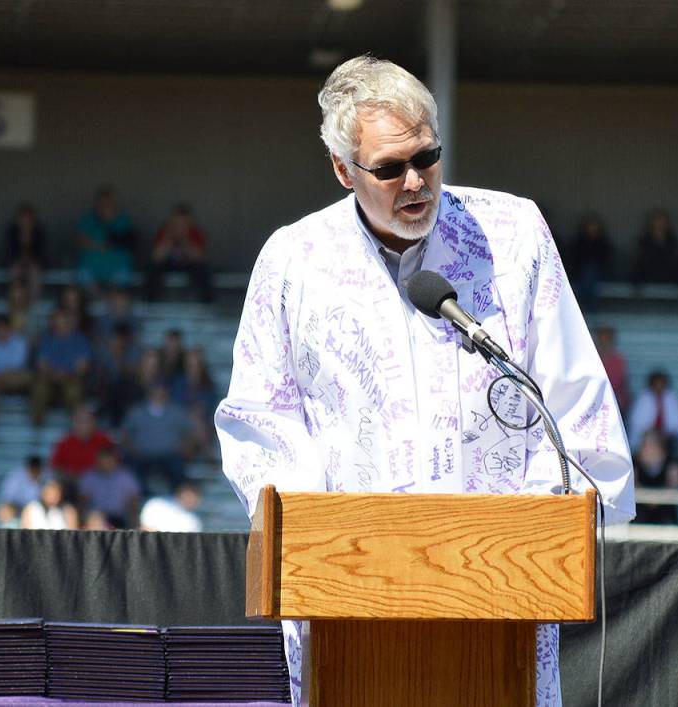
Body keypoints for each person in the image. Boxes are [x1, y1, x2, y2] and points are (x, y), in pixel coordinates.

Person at [214, 56, 634, 707]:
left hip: (503, 608)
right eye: (388, 168)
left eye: (427, 158)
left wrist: (529, 532)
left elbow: (573, 401)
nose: (415, 182)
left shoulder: (513, 235)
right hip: (346, 610)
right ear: (341, 169)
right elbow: (261, 422)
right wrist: (332, 537)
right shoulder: (293, 260)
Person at [123, 384, 194, 494]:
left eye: (162, 394)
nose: (158, 396)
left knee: (178, 470)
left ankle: (179, 499)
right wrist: (132, 449)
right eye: (155, 394)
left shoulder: (177, 412)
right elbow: (126, 434)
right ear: (149, 395)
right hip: (143, 455)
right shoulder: (137, 412)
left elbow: (188, 432)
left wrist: (185, 448)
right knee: (134, 471)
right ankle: (143, 499)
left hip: (170, 455)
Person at [30, 310, 93, 426]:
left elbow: (83, 368)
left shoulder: (80, 340)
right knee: (39, 388)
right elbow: (41, 365)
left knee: (74, 391)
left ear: (69, 322)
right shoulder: (46, 340)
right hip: (49, 380)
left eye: (62, 322)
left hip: (71, 379)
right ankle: (37, 426)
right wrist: (54, 374)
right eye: (56, 322)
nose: (59, 325)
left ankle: (75, 427)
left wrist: (65, 374)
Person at [144, 203, 214, 303]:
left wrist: (185, 241)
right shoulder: (165, 231)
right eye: (176, 222)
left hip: (188, 266)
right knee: (151, 269)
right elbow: (155, 257)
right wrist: (169, 239)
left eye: (183, 223)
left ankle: (207, 304)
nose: (179, 226)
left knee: (204, 270)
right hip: (168, 265)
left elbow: (200, 258)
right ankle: (149, 303)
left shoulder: (195, 232)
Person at [75, 186, 137, 289]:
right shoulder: (88, 220)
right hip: (91, 262)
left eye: (108, 202)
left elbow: (128, 241)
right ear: (97, 203)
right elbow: (80, 240)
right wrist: (100, 246)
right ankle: (98, 298)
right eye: (102, 202)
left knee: (122, 278)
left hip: (118, 263)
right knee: (83, 276)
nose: (105, 206)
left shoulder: (123, 220)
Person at [77, 445, 141, 529]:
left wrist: (134, 522)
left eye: (108, 461)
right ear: (97, 461)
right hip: (96, 519)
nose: (105, 464)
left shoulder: (126, 477)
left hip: (120, 518)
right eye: (102, 461)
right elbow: (83, 502)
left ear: (115, 461)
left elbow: (134, 501)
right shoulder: (89, 477)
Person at [626, 369, 678, 455]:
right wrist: (653, 432)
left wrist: (667, 433)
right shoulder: (642, 399)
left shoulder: (673, 398)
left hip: (668, 439)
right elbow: (636, 424)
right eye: (656, 384)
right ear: (651, 385)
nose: (659, 387)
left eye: (661, 384)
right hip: (648, 437)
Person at [49, 405, 114, 479]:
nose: (84, 425)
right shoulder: (64, 443)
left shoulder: (104, 440)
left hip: (100, 483)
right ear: (74, 422)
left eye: (87, 420)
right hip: (72, 484)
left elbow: (114, 466)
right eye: (80, 421)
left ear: (94, 422)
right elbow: (56, 467)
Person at [0, 315, 31, 426]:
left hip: (16, 378)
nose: (0, 332)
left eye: (3, 328)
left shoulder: (19, 343)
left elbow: (17, 366)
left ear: (9, 329)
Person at [566, 212, 612, 312]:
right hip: (580, 275)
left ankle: (586, 307)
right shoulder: (578, 242)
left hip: (599, 275)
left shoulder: (603, 243)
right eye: (589, 226)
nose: (592, 229)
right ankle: (589, 307)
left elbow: (606, 262)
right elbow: (574, 261)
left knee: (590, 272)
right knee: (587, 272)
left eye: (594, 227)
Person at [632, 209, 678, 286]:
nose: (660, 224)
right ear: (652, 223)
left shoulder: (673, 243)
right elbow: (638, 263)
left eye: (663, 222)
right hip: (647, 282)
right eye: (657, 221)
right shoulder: (644, 242)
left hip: (669, 283)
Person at [5, 203, 47, 301]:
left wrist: (30, 260)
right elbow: (9, 252)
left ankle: (33, 301)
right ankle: (16, 300)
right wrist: (20, 260)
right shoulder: (12, 231)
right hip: (16, 263)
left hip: (34, 264)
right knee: (15, 270)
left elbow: (42, 253)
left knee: (34, 272)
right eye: (23, 218)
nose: (26, 221)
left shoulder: (39, 232)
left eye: (28, 218)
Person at [139, 480, 203, 532]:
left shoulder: (194, 521)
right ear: (181, 492)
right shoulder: (157, 504)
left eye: (194, 497)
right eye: (188, 495)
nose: (190, 499)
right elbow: (146, 530)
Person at [594, 326, 630, 412]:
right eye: (602, 339)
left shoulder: (618, 361)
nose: (604, 343)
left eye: (607, 339)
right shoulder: (591, 359)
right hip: (593, 402)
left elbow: (623, 383)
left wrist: (623, 401)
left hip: (612, 402)